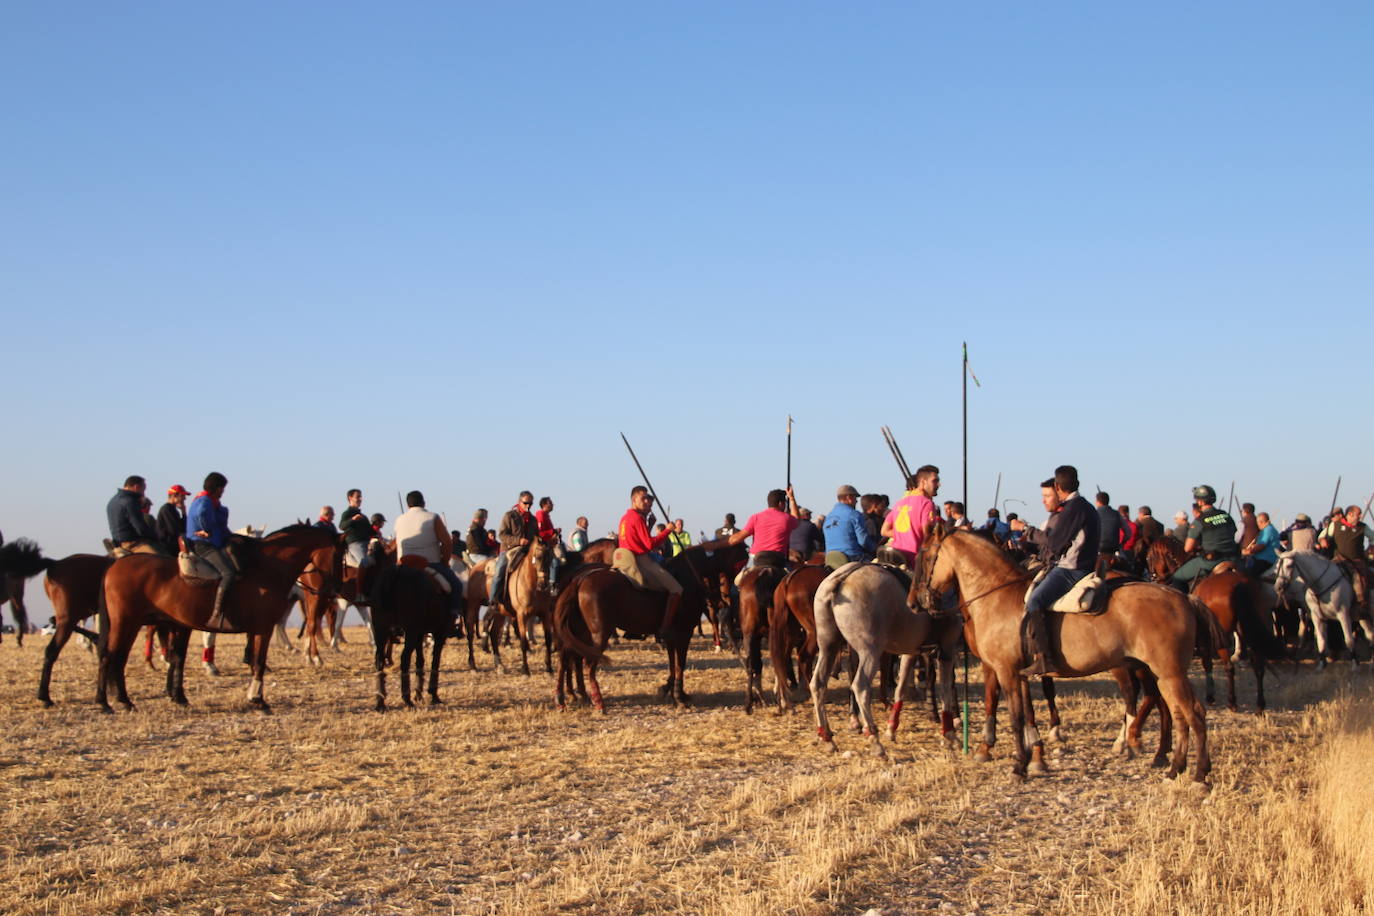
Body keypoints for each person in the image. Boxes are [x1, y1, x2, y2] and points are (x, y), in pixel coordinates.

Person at [1008, 466, 1099, 677]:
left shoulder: (1073, 508)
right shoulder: (1083, 506)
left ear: (1058, 487)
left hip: (1071, 569)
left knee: (1034, 602)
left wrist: (1025, 529)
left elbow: (1053, 543)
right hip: (1079, 565)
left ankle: (1044, 659)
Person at [613, 485, 683, 637]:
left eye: (647, 498)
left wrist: (649, 525)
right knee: (676, 589)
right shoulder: (637, 518)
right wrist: (668, 531)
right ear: (634, 499)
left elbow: (639, 538)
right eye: (642, 498)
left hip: (626, 556)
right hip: (641, 559)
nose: (646, 501)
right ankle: (665, 628)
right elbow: (649, 545)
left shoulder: (626, 517)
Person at [393, 490, 464, 616]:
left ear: (408, 505)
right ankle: (453, 617)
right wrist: (444, 561)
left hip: (403, 564)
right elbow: (447, 542)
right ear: (424, 503)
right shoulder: (433, 517)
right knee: (457, 586)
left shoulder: (399, 519)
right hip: (430, 563)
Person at [186, 472, 242, 630]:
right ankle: (216, 615)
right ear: (218, 489)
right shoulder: (205, 502)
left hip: (209, 542)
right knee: (228, 573)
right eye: (222, 489)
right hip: (204, 545)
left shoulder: (203, 500)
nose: (223, 492)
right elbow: (201, 514)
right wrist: (206, 529)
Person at [702, 488, 801, 571]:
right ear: (781, 503)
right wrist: (792, 499)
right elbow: (797, 519)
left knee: (738, 583)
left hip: (756, 558)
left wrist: (713, 545)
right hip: (777, 559)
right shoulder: (787, 518)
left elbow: (735, 539)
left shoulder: (756, 517)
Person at [1169, 485, 1239, 589]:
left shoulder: (1199, 521)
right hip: (1234, 559)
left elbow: (1188, 548)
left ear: (1200, 502)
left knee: (1177, 578)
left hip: (1211, 562)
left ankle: (1185, 605)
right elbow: (1233, 533)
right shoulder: (1226, 515)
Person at [881, 465, 940, 568]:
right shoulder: (927, 504)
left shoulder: (899, 503)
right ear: (923, 482)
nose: (939, 484)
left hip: (894, 554)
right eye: (935, 481)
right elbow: (928, 536)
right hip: (913, 559)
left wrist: (906, 534)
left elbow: (884, 531)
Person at [488, 491, 538, 609]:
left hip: (527, 551)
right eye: (526, 503)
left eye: (530, 503)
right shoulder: (509, 516)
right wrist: (518, 541)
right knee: (500, 569)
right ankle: (493, 600)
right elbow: (502, 535)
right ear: (519, 502)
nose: (528, 506)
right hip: (509, 549)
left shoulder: (533, 519)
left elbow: (536, 536)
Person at [1320, 505, 1369, 608]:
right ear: (1350, 514)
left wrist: (1371, 547)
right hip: (1338, 560)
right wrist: (1322, 540)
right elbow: (1322, 535)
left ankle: (1361, 604)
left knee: (1359, 580)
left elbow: (1373, 537)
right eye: (1358, 514)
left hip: (1356, 561)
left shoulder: (1362, 527)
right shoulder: (1335, 525)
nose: (1360, 517)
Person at [107, 475, 165, 555]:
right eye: (143, 490)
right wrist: (156, 537)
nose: (143, 494)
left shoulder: (112, 501)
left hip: (117, 542)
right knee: (161, 559)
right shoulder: (130, 501)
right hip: (133, 544)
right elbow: (140, 528)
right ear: (136, 487)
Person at [822, 485, 876, 567]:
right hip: (852, 557)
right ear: (848, 497)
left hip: (830, 560)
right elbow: (863, 541)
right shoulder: (854, 514)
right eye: (855, 498)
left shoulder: (828, 518)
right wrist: (876, 549)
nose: (856, 501)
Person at [1241, 511, 1281, 576]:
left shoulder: (1268, 530)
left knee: (1246, 574)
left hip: (1265, 560)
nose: (1258, 525)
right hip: (1262, 559)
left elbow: (1261, 546)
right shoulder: (1268, 529)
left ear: (1261, 522)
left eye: (1257, 523)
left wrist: (1247, 551)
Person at [339, 489, 372, 567]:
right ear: (350, 498)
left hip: (367, 543)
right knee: (364, 563)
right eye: (358, 497)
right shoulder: (347, 513)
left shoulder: (363, 516)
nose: (360, 499)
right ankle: (360, 580)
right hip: (355, 544)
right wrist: (352, 519)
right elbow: (342, 526)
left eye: (360, 497)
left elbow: (370, 530)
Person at [155, 484, 190, 555]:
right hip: (168, 549)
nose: (184, 499)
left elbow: (184, 528)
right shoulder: (167, 509)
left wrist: (183, 512)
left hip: (173, 547)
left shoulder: (173, 509)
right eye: (182, 496)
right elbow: (175, 530)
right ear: (174, 496)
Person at [1094, 492, 1123, 570]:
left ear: (1097, 501)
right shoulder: (1117, 514)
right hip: (1113, 551)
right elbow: (1128, 533)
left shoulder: (1093, 513)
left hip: (1097, 550)